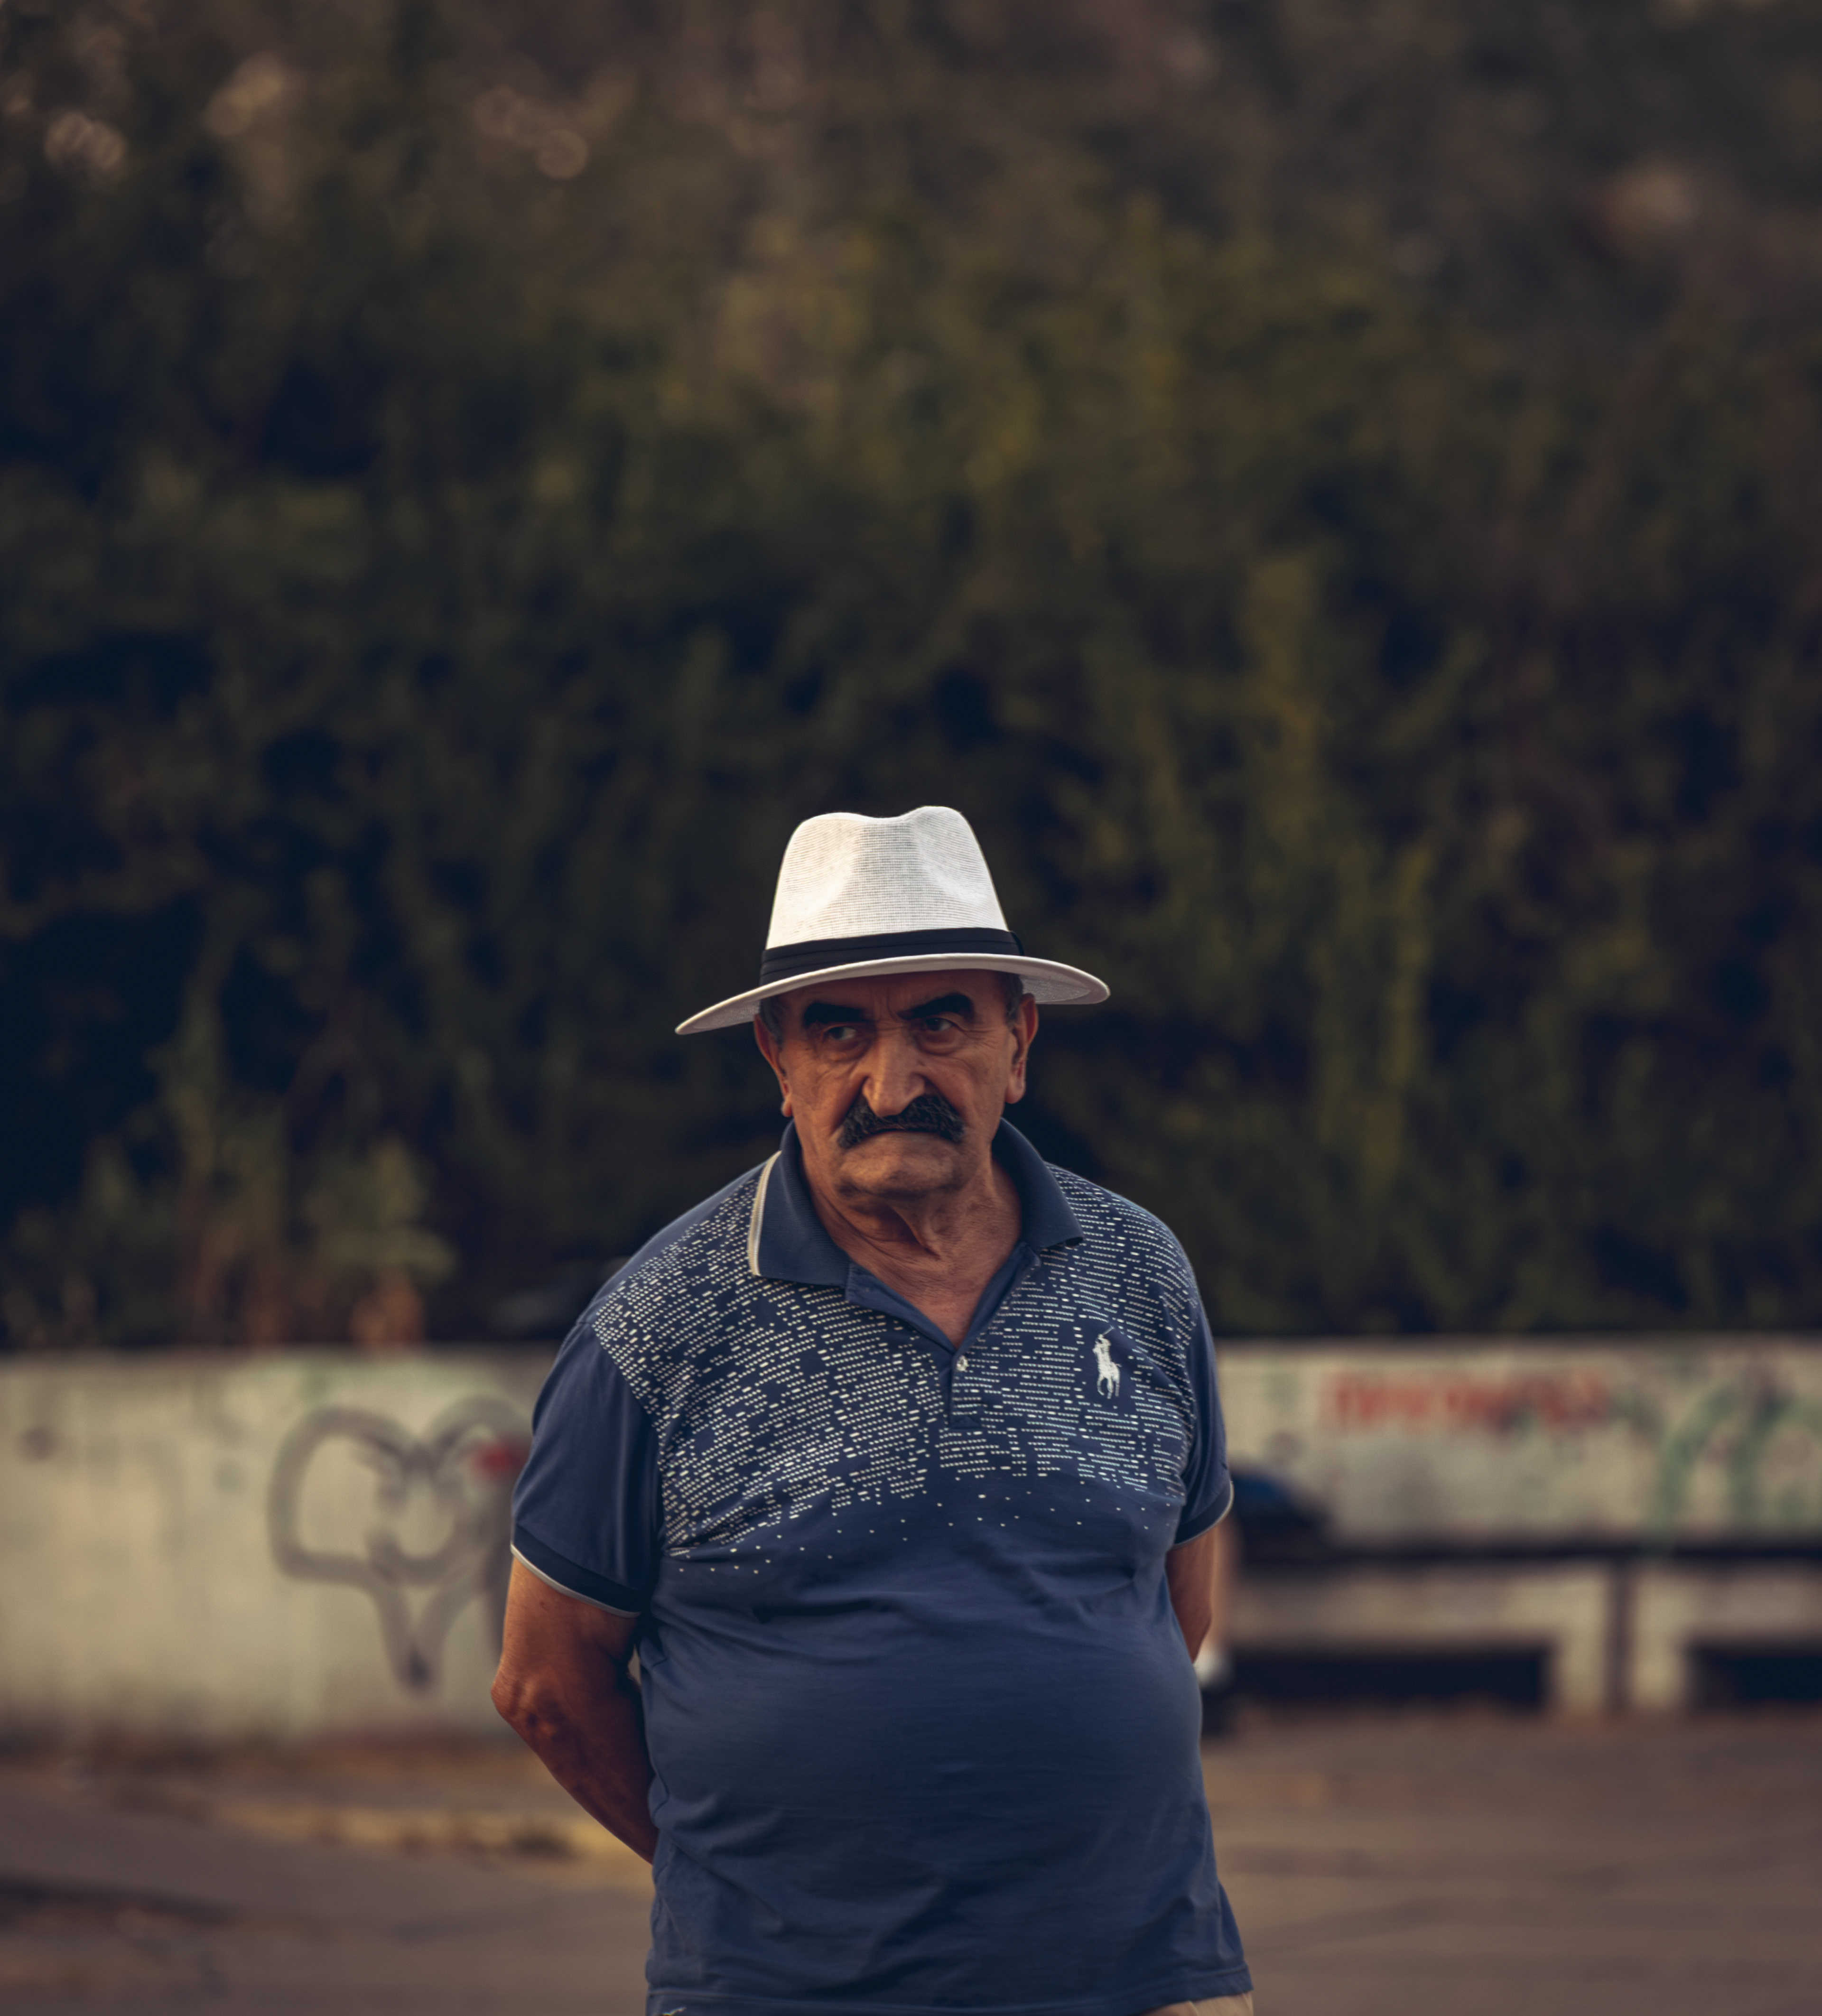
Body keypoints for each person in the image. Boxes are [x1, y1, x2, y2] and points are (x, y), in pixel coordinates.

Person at [493, 806, 1255, 2016]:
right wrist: (753, 1891)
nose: (891, 1084)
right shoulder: (657, 1324)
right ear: (778, 1059)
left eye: (940, 1022)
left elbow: (1173, 1605)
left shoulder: (1141, 1273)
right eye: (839, 1030)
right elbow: (545, 1681)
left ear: (1018, 1041)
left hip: (1148, 1983)